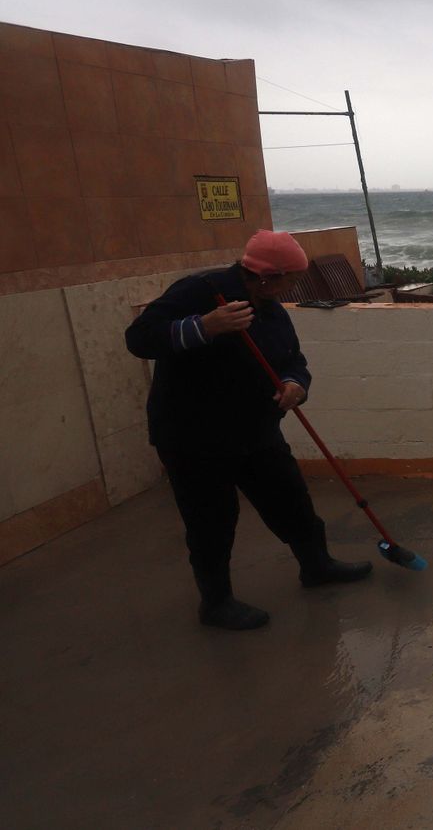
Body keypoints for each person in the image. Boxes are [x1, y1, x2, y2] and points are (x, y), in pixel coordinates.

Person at [126, 230, 371, 631]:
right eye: (292, 279)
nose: (294, 287)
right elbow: (138, 338)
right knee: (211, 520)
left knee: (291, 500)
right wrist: (205, 326)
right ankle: (216, 603)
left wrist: (295, 384)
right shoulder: (200, 292)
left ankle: (317, 566)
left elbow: (293, 360)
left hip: (254, 430)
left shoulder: (271, 310)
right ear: (267, 277)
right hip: (193, 438)